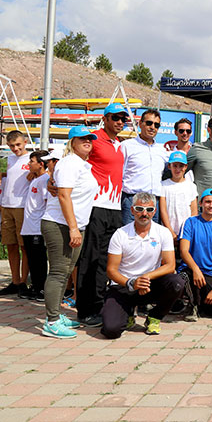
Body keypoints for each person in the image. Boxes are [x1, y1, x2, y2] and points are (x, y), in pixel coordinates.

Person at [40, 126, 99, 338]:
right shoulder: (69, 163)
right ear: (72, 142)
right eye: (82, 138)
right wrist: (73, 228)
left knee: (65, 272)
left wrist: (76, 227)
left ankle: (56, 313)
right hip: (60, 224)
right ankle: (52, 321)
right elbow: (64, 196)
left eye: (89, 138)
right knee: (58, 273)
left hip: (73, 225)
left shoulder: (81, 164)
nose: (87, 141)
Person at [101, 192, 185, 339]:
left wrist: (145, 278)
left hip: (149, 285)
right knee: (111, 330)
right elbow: (111, 270)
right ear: (132, 210)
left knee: (176, 283)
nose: (144, 214)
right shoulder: (120, 234)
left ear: (154, 211)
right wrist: (132, 283)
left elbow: (170, 265)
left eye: (149, 210)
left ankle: (154, 317)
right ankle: (127, 314)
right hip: (123, 286)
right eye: (139, 209)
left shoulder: (163, 232)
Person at [75, 103, 128, 327]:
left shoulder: (119, 144)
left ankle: (97, 305)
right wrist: (52, 179)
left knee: (105, 260)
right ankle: (84, 310)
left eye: (123, 118)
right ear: (105, 119)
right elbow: (71, 159)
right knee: (89, 258)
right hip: (96, 206)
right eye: (115, 117)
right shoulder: (94, 138)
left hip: (115, 207)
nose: (120, 122)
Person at [178, 189, 212, 320]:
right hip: (191, 270)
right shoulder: (190, 222)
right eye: (208, 202)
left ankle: (202, 304)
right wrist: (196, 269)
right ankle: (192, 305)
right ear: (201, 203)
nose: (211, 205)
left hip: (211, 273)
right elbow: (183, 251)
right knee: (184, 278)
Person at [121, 109, 169, 225]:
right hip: (132, 201)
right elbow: (119, 174)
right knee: (129, 234)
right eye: (149, 123)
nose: (152, 127)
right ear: (140, 124)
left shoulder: (162, 150)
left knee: (153, 235)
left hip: (154, 202)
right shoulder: (126, 146)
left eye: (156, 125)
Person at [0, 130, 31, 296]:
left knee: (24, 246)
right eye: (12, 146)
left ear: (25, 142)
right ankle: (15, 280)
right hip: (6, 205)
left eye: (18, 145)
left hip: (22, 206)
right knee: (10, 245)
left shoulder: (32, 158)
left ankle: (24, 282)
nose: (15, 148)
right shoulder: (10, 159)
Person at [19, 150, 50, 300]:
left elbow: (47, 202)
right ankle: (35, 286)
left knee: (39, 259)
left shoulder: (45, 179)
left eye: (32, 161)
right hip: (28, 227)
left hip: (37, 227)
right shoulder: (35, 179)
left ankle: (42, 289)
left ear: (41, 164)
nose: (29, 164)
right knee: (32, 258)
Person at [159, 151, 198, 243]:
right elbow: (163, 210)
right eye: (175, 166)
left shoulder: (191, 186)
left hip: (186, 231)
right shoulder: (163, 185)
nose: (178, 169)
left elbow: (194, 211)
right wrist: (170, 232)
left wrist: (189, 230)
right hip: (168, 231)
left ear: (186, 167)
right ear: (169, 166)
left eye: (181, 166)